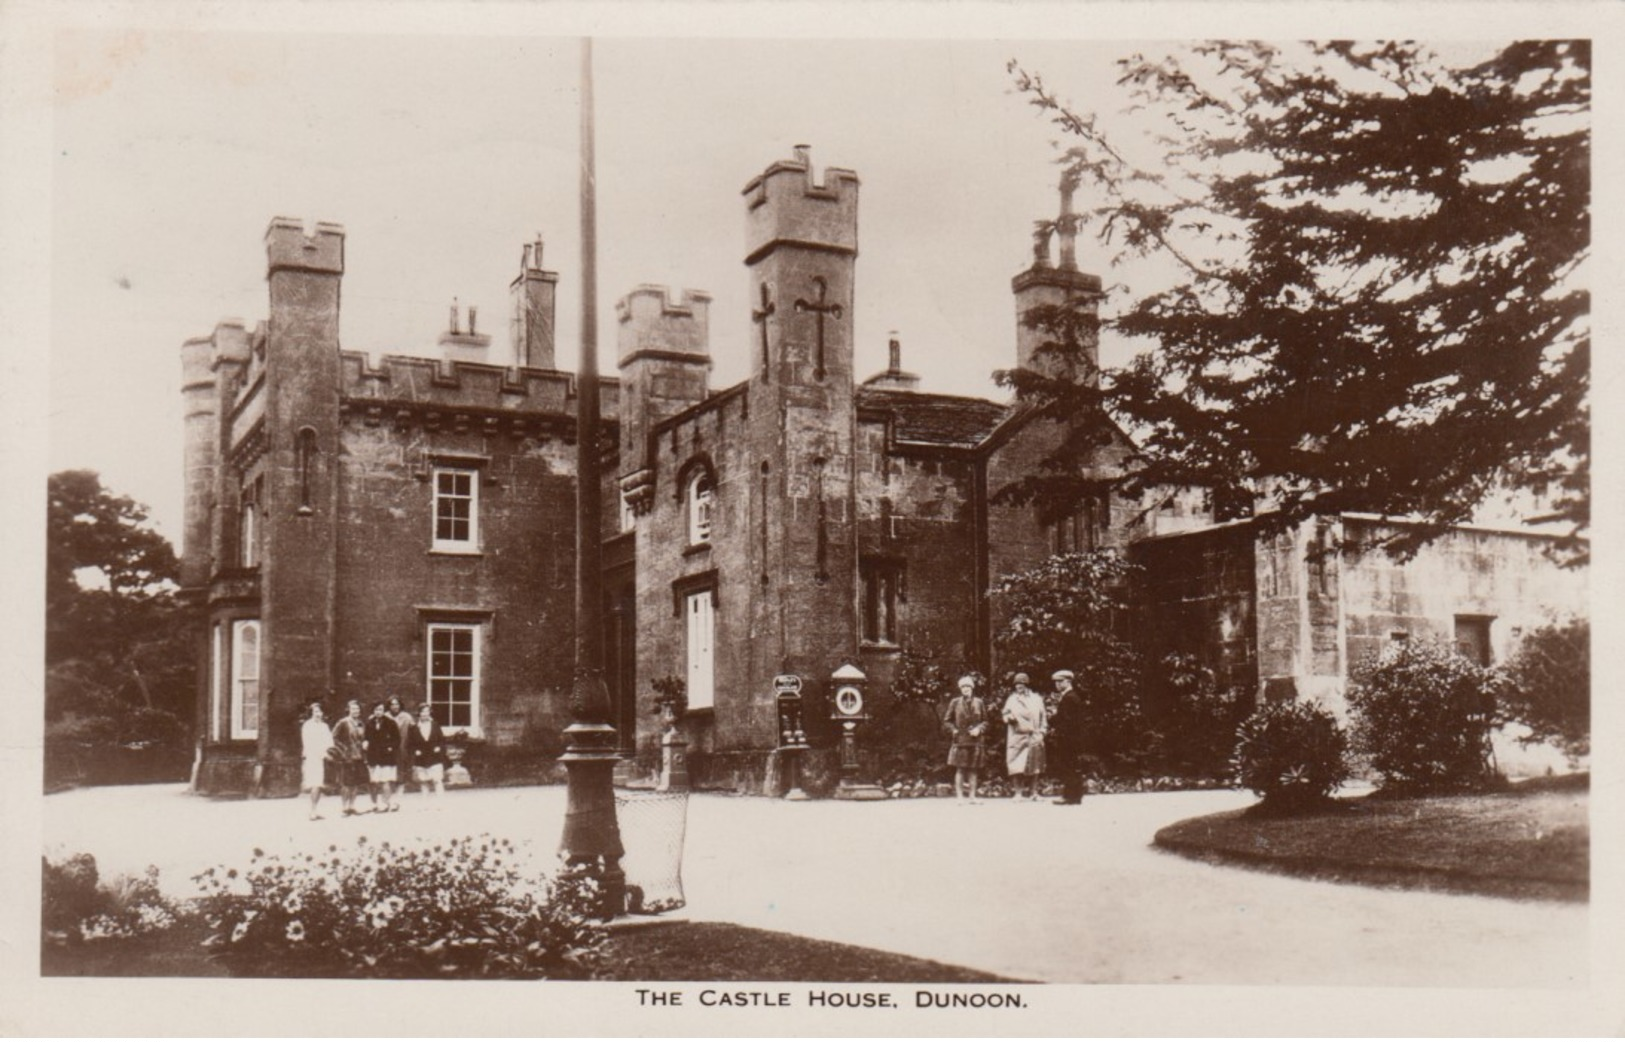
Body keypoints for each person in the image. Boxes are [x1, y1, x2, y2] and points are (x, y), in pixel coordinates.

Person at [942, 675, 989, 803]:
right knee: (960, 768)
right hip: (961, 741)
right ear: (960, 689)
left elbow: (985, 721)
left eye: (968, 686)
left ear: (972, 688)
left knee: (973, 769)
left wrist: (979, 729)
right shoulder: (955, 702)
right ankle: (960, 797)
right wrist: (953, 730)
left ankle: (972, 797)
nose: (965, 689)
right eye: (963, 687)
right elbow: (947, 721)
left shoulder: (979, 702)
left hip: (975, 741)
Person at [1001, 673, 1047, 800]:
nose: (1018, 687)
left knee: (1035, 765)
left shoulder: (1036, 699)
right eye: (1016, 684)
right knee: (1016, 765)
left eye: (1021, 684)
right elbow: (1005, 714)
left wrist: (1042, 732)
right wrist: (1008, 718)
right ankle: (1018, 793)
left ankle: (1034, 793)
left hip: (1034, 735)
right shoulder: (1012, 699)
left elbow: (1043, 717)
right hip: (1017, 735)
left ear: (1027, 684)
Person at [1047, 670, 1087, 805]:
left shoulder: (1070, 697)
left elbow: (1068, 720)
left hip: (1069, 738)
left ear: (1068, 682)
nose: (1057, 684)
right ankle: (1074, 796)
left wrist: (1053, 719)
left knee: (1069, 765)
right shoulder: (1071, 696)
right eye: (1056, 682)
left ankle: (1070, 796)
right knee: (1072, 766)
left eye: (1060, 681)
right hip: (1072, 738)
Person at [329, 700, 368, 817]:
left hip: (359, 756)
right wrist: (343, 749)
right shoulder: (343, 722)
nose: (356, 711)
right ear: (348, 710)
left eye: (357, 709)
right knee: (346, 783)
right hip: (347, 757)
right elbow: (334, 737)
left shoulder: (360, 723)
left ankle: (352, 806)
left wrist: (365, 742)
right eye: (353, 709)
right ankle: (344, 807)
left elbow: (363, 737)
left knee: (355, 782)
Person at [299, 702, 334, 821]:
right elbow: (309, 744)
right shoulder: (307, 726)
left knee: (319, 785)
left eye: (319, 711)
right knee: (315, 784)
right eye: (315, 712)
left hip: (323, 759)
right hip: (312, 758)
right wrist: (323, 754)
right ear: (311, 713)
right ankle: (312, 811)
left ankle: (315, 810)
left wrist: (330, 753)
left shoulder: (324, 726)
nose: (318, 714)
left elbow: (329, 741)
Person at [363, 702, 401, 812]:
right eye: (376, 710)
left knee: (385, 781)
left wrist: (390, 748)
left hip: (386, 757)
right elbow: (366, 737)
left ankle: (386, 803)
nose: (378, 712)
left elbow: (397, 740)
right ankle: (374, 804)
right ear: (373, 711)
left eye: (380, 709)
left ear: (384, 711)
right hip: (373, 756)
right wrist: (365, 742)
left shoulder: (390, 723)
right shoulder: (370, 723)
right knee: (373, 781)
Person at [406, 704, 449, 798]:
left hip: (434, 756)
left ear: (430, 713)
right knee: (423, 781)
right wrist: (415, 751)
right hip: (421, 757)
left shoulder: (435, 725)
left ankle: (440, 804)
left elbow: (442, 740)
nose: (425, 714)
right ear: (419, 713)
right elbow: (410, 744)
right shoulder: (414, 727)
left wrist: (439, 748)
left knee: (437, 780)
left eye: (427, 711)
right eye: (422, 712)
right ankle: (425, 804)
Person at [388, 696, 415, 793]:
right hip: (389, 749)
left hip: (403, 748)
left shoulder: (407, 717)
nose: (395, 707)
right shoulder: (385, 716)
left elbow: (414, 732)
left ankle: (399, 795)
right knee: (390, 773)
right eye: (392, 704)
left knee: (401, 772)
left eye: (397, 704)